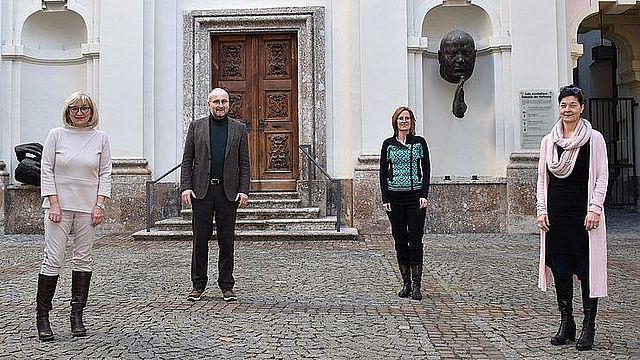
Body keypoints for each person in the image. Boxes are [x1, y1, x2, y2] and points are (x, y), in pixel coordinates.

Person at [536, 85, 609, 351]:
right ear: (559, 107)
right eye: (564, 105)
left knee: (587, 272)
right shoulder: (549, 141)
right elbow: (542, 180)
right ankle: (567, 323)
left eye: (573, 105)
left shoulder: (594, 139)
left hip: (583, 217)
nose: (568, 110)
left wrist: (595, 208)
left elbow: (601, 176)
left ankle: (589, 325)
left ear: (582, 108)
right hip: (557, 216)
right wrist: (541, 210)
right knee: (561, 271)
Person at [36, 91, 112, 341]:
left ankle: (76, 315)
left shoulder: (100, 138)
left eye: (84, 108)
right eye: (74, 109)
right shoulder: (56, 135)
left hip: (88, 208)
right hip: (59, 207)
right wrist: (53, 202)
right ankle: (43, 317)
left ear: (92, 112)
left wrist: (100, 204)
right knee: (53, 259)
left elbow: (105, 173)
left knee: (83, 259)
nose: (80, 113)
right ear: (67, 112)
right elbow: (46, 169)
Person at [180, 87, 250, 302]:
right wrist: (186, 186)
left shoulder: (239, 129)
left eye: (224, 102)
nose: (221, 105)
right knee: (200, 240)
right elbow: (187, 159)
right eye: (216, 102)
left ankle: (227, 285)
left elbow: (244, 163)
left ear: (229, 104)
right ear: (209, 104)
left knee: (226, 241)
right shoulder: (196, 127)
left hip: (227, 193)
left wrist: (243, 190)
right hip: (202, 192)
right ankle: (198, 284)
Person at [379, 106, 431, 301]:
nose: (404, 121)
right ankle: (406, 283)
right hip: (395, 199)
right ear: (395, 122)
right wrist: (386, 198)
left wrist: (424, 194)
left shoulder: (419, 143)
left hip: (415, 198)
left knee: (415, 241)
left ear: (412, 122)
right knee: (400, 241)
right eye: (401, 118)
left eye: (407, 118)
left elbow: (426, 169)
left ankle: (417, 284)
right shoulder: (388, 144)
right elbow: (383, 172)